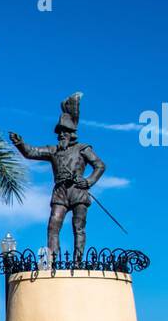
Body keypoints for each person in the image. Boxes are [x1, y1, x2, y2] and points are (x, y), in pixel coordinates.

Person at [8, 92, 105, 263]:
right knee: (53, 225)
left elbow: (100, 165)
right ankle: (52, 261)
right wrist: (20, 144)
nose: (60, 135)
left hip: (78, 191)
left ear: (71, 134)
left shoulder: (83, 149)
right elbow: (32, 152)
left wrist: (88, 181)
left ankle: (78, 261)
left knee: (78, 227)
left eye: (64, 132)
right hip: (60, 192)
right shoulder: (53, 150)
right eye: (59, 132)